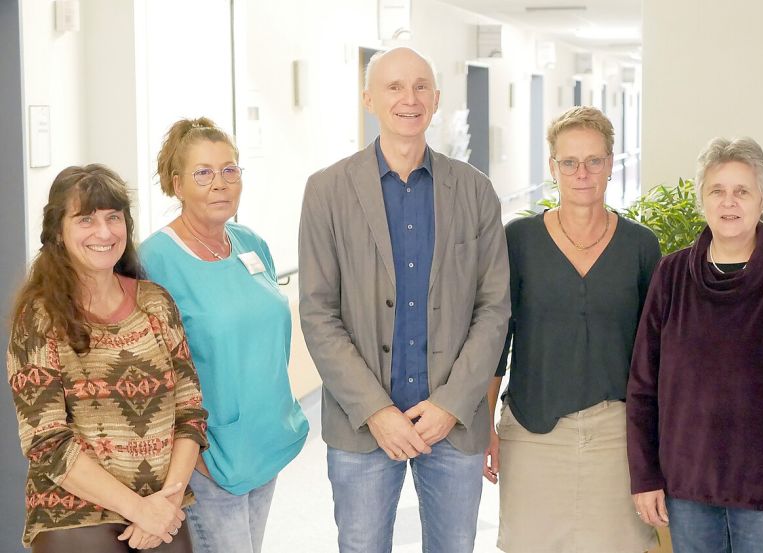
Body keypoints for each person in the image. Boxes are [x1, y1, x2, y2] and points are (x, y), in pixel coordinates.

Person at [298, 47, 510, 553]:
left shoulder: (476, 191)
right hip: (363, 426)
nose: (408, 98)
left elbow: (494, 307)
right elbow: (318, 313)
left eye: (420, 87)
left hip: (452, 424)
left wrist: (451, 403)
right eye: (394, 87)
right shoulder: (327, 191)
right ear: (369, 97)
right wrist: (376, 411)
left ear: (435, 100)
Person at [627, 137, 763, 553]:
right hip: (685, 490)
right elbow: (642, 386)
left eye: (742, 191)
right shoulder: (670, 276)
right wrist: (645, 476)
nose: (729, 202)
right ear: (701, 199)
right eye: (717, 191)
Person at [485, 106, 661, 552]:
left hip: (616, 436)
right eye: (569, 162)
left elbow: (656, 352)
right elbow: (496, 341)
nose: (581, 172)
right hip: (532, 430)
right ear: (553, 168)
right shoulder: (519, 240)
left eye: (594, 160)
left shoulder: (640, 245)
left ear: (611, 165)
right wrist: (485, 423)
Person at [6, 164, 207, 552]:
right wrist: (138, 509)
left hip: (162, 509)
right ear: (57, 233)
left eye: (113, 217)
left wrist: (165, 502)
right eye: (85, 220)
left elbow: (190, 412)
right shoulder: (39, 316)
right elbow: (46, 442)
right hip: (75, 516)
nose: (104, 232)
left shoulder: (155, 302)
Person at [140, 117, 309, 553]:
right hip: (208, 457)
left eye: (230, 170)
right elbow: (146, 376)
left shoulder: (250, 243)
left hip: (264, 442)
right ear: (176, 184)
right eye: (203, 173)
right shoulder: (154, 261)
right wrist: (193, 458)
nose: (220, 184)